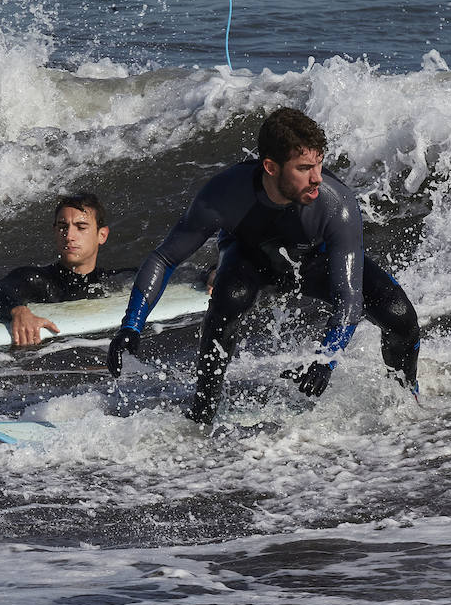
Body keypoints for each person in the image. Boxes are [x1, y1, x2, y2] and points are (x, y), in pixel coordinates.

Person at [106, 107, 421, 424]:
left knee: (400, 315)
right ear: (270, 166)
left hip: (315, 262)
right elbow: (164, 257)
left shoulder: (336, 204)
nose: (316, 177)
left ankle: (406, 401)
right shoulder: (224, 194)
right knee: (229, 300)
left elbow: (349, 298)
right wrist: (131, 326)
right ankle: (202, 412)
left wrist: (326, 358)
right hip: (250, 258)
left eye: (319, 164)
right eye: (304, 168)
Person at [0, 193, 131, 347]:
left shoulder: (114, 281)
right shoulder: (37, 280)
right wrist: (18, 311)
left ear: (102, 235)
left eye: (81, 227)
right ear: (55, 231)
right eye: (62, 227)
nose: (69, 236)